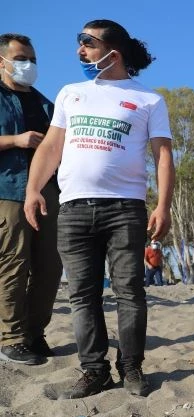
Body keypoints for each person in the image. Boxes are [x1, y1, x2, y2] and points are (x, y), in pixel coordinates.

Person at [23, 19, 175, 398]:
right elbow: (51, 147)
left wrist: (164, 205)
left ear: (113, 52)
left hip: (126, 208)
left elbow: (163, 156)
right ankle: (94, 371)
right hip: (73, 209)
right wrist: (33, 190)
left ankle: (132, 368)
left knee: (130, 291)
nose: (80, 51)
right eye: (80, 43)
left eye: (87, 43)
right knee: (82, 295)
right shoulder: (70, 93)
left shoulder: (148, 100)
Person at [0, 33, 62, 364]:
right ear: (2, 61)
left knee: (50, 266)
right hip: (6, 191)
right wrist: (16, 140)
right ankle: (11, 337)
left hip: (47, 194)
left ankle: (35, 333)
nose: (29, 65)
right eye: (21, 58)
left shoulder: (45, 103)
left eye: (33, 59)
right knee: (13, 263)